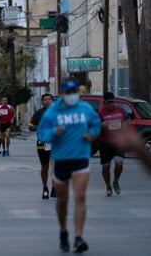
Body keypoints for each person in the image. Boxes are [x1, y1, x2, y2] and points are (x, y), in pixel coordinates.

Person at [37, 79, 101, 253]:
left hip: (81, 158)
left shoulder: (85, 109)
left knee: (80, 197)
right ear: (63, 94)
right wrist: (53, 132)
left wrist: (92, 134)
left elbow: (96, 124)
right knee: (63, 201)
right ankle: (64, 232)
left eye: (75, 91)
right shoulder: (52, 112)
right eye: (69, 92)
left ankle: (78, 238)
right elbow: (41, 134)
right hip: (61, 160)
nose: (72, 95)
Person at [98, 92, 128, 196]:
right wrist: (102, 125)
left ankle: (115, 181)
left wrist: (125, 124)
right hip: (105, 143)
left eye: (113, 102)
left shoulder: (121, 110)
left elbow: (128, 119)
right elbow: (96, 127)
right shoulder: (101, 113)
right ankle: (108, 186)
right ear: (105, 103)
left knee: (119, 163)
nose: (111, 104)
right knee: (106, 167)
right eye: (109, 103)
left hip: (118, 142)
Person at [28, 92, 56, 199]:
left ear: (52, 101)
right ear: (42, 102)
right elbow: (31, 126)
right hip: (42, 144)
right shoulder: (38, 113)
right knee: (45, 167)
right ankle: (45, 188)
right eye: (45, 100)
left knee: (55, 166)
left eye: (49, 99)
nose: (47, 101)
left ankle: (54, 188)